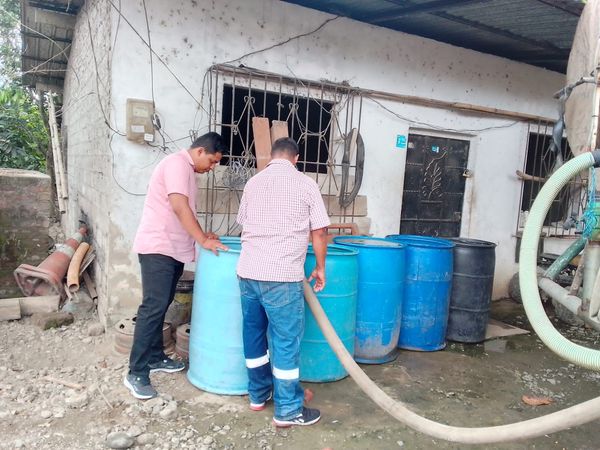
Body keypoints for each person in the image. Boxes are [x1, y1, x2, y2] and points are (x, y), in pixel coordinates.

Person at [124, 132, 228, 400]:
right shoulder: (176, 164)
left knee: (161, 306)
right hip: (158, 248)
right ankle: (136, 372)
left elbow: (186, 212)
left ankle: (155, 356)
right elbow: (179, 207)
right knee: (152, 308)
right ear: (200, 151)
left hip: (172, 250)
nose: (212, 167)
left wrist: (203, 234)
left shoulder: (187, 171)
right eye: (213, 161)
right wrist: (203, 240)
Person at [236, 137, 330, 427]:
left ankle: (258, 395)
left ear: (271, 156)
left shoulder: (253, 183)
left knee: (254, 336)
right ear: (296, 158)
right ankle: (288, 409)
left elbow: (244, 224)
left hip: (248, 273)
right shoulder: (306, 184)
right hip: (282, 277)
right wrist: (320, 268)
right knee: (286, 342)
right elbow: (320, 231)